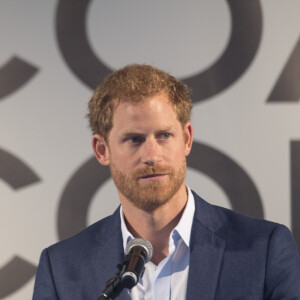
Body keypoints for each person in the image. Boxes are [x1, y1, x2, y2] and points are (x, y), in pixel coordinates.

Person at [33, 64, 300, 299]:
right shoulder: (61, 268)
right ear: (102, 150)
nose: (152, 155)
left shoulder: (264, 249)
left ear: (186, 139)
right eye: (134, 139)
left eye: (164, 136)